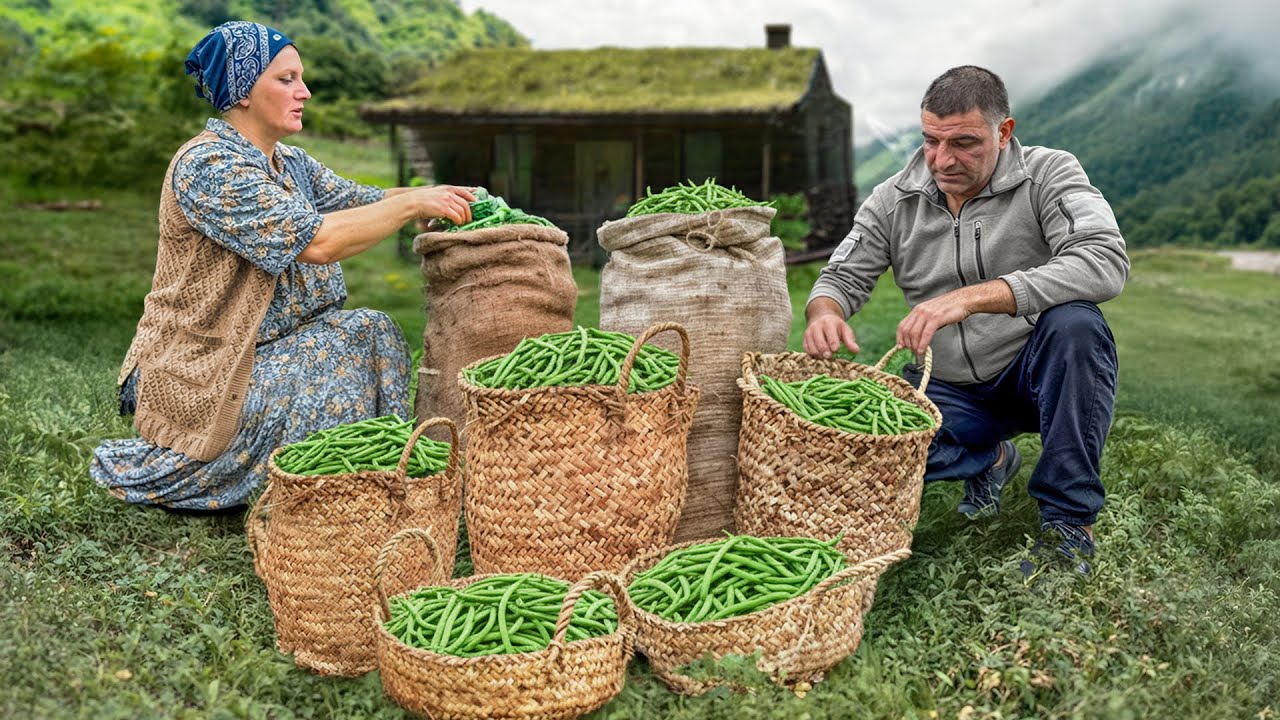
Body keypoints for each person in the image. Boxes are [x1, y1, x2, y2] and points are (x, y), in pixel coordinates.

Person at [90, 21, 476, 512]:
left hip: (271, 350)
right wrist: (412, 204)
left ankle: (372, 478)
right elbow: (320, 242)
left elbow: (365, 201)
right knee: (335, 358)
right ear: (243, 89)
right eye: (287, 79)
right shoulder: (209, 166)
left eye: (301, 79)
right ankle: (312, 492)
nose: (305, 92)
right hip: (204, 367)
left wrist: (443, 199)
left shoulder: (288, 163)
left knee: (372, 330)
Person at [803, 65, 1129, 576]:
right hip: (949, 386)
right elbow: (840, 277)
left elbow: (1103, 260)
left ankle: (1068, 523)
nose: (943, 159)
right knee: (874, 459)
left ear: (1004, 132)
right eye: (931, 140)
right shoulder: (892, 199)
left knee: (1076, 326)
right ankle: (992, 459)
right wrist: (825, 312)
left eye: (964, 142)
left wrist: (974, 298)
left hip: (1034, 370)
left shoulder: (1050, 173)